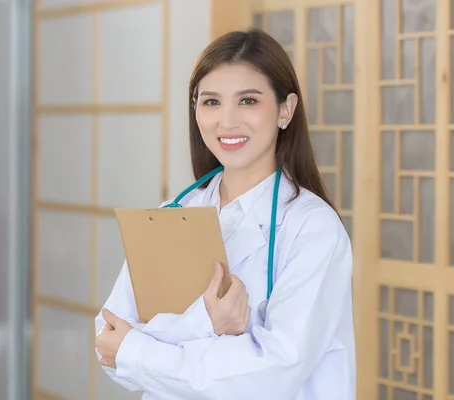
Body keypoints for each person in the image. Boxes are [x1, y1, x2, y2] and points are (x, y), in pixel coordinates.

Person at [94, 28, 355, 400]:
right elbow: (107, 341)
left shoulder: (313, 229)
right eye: (211, 102)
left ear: (285, 109)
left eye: (248, 101)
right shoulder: (174, 212)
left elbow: (274, 373)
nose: (227, 121)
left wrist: (141, 350)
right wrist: (210, 324)